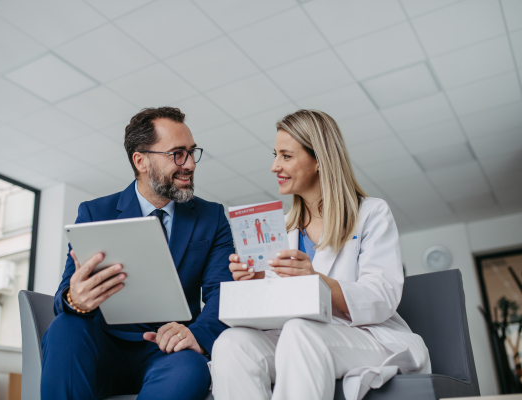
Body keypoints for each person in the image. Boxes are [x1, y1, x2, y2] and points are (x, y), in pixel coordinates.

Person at [210, 110, 431, 400]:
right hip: (294, 337)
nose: (275, 166)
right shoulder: (283, 226)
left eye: (286, 156)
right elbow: (281, 306)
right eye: (275, 155)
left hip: (365, 336)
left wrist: (317, 282)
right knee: (232, 343)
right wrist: (258, 278)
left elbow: (383, 295)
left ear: (318, 161)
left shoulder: (371, 214)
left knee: (301, 332)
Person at [41, 107, 234, 400]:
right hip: (103, 350)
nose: (191, 164)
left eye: (193, 152)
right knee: (65, 326)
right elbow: (65, 294)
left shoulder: (212, 217)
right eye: (178, 154)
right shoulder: (95, 213)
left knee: (191, 368)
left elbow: (223, 293)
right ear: (141, 160)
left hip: (169, 352)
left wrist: (196, 333)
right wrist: (75, 299)